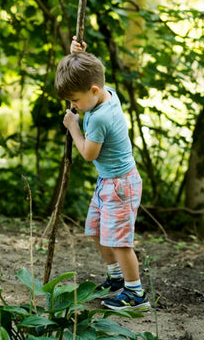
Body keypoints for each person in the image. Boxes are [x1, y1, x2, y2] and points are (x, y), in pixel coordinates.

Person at [54, 37, 150, 311]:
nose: (73, 105)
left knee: (120, 242)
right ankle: (116, 278)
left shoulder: (97, 118)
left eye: (75, 100)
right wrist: (77, 56)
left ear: (93, 91)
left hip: (120, 185)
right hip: (108, 182)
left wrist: (74, 126)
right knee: (96, 230)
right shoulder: (106, 92)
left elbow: (88, 154)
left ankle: (135, 295)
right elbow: (90, 73)